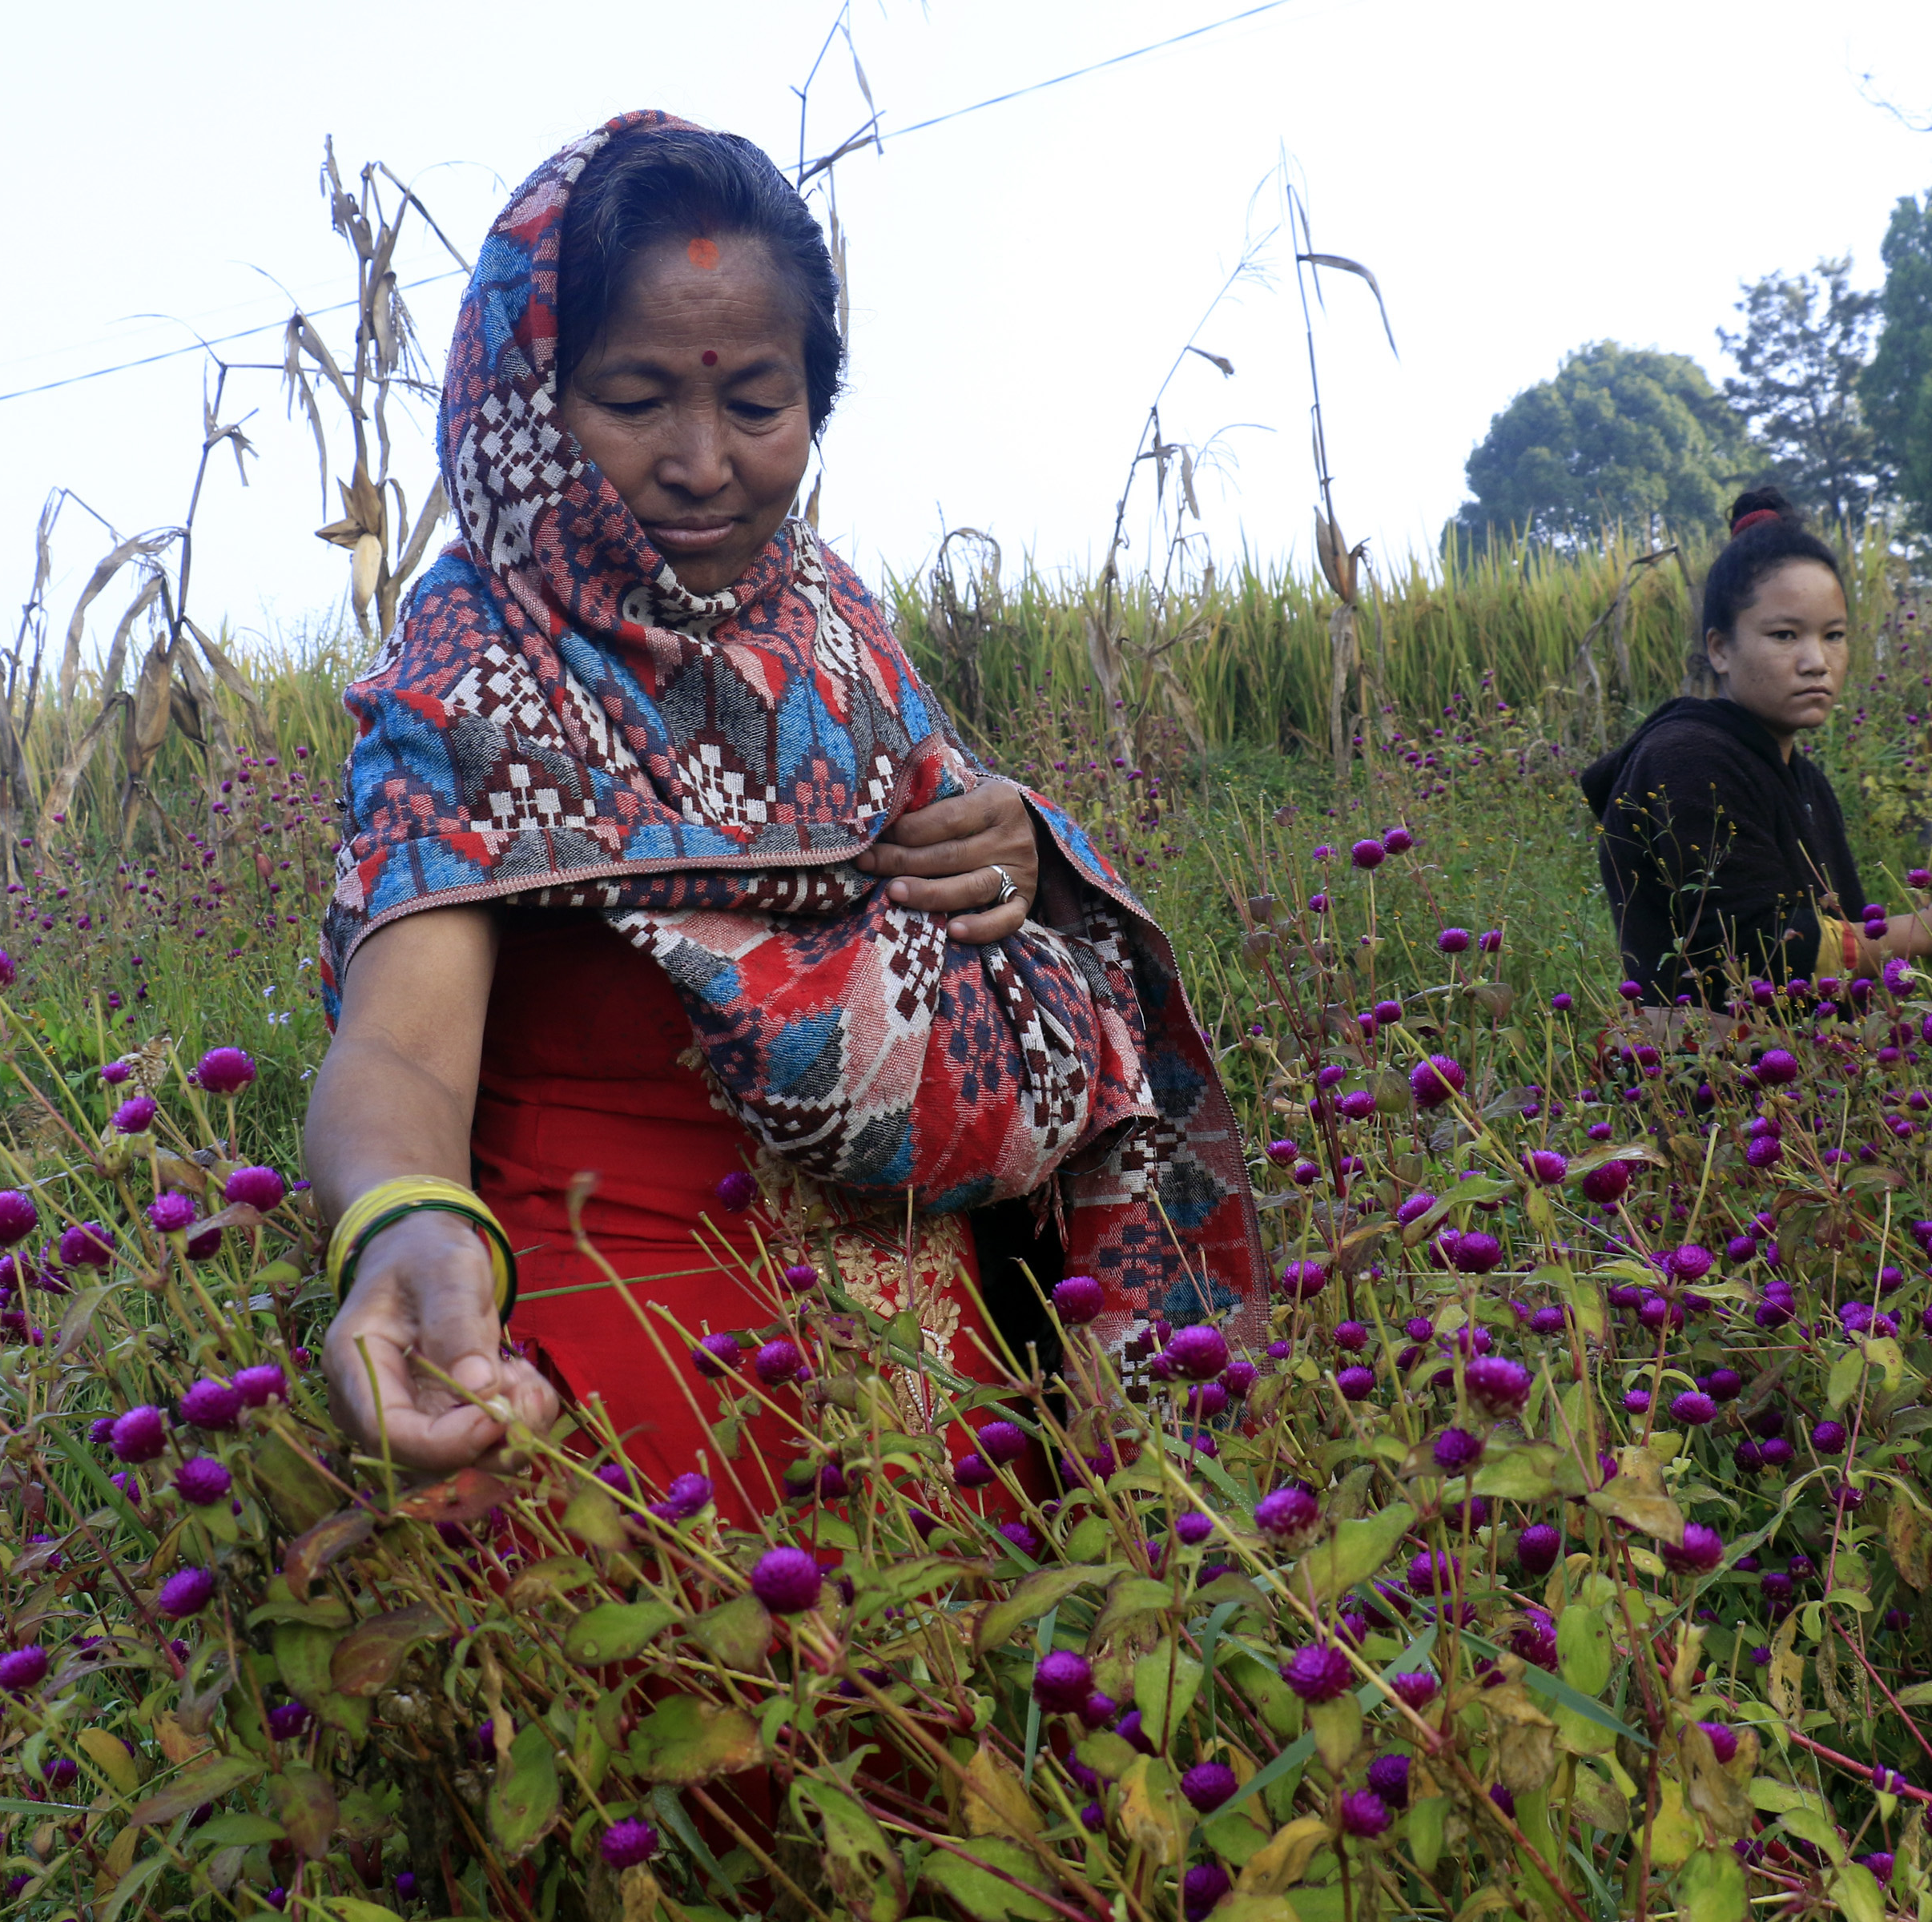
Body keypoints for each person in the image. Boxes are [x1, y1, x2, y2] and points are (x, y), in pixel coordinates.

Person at [303, 113, 1260, 1512]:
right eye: (636, 400)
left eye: (757, 404)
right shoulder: (476, 668)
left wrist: (1012, 851)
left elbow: (944, 848)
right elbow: (400, 1049)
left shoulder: (834, 626)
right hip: (621, 1421)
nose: (705, 460)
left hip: (947, 1409)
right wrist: (404, 1229)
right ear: (523, 395)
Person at [1579, 489, 1932, 1011]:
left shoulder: (1802, 778)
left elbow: (1841, 940)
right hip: (1712, 1076)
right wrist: (1921, 932)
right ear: (1720, 649)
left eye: (1833, 635)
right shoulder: (1687, 760)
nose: (1817, 661)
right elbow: (1758, 951)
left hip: (1813, 1073)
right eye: (1785, 635)